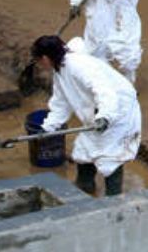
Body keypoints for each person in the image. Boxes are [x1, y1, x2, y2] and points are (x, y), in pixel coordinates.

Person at [32, 35, 141, 197]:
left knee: (112, 156)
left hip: (118, 111)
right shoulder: (60, 72)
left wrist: (105, 116)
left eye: (38, 60)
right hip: (97, 113)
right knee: (85, 149)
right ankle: (84, 187)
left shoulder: (79, 66)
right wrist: (48, 128)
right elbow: (61, 103)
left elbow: (104, 91)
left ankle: (114, 198)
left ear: (46, 58)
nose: (39, 64)